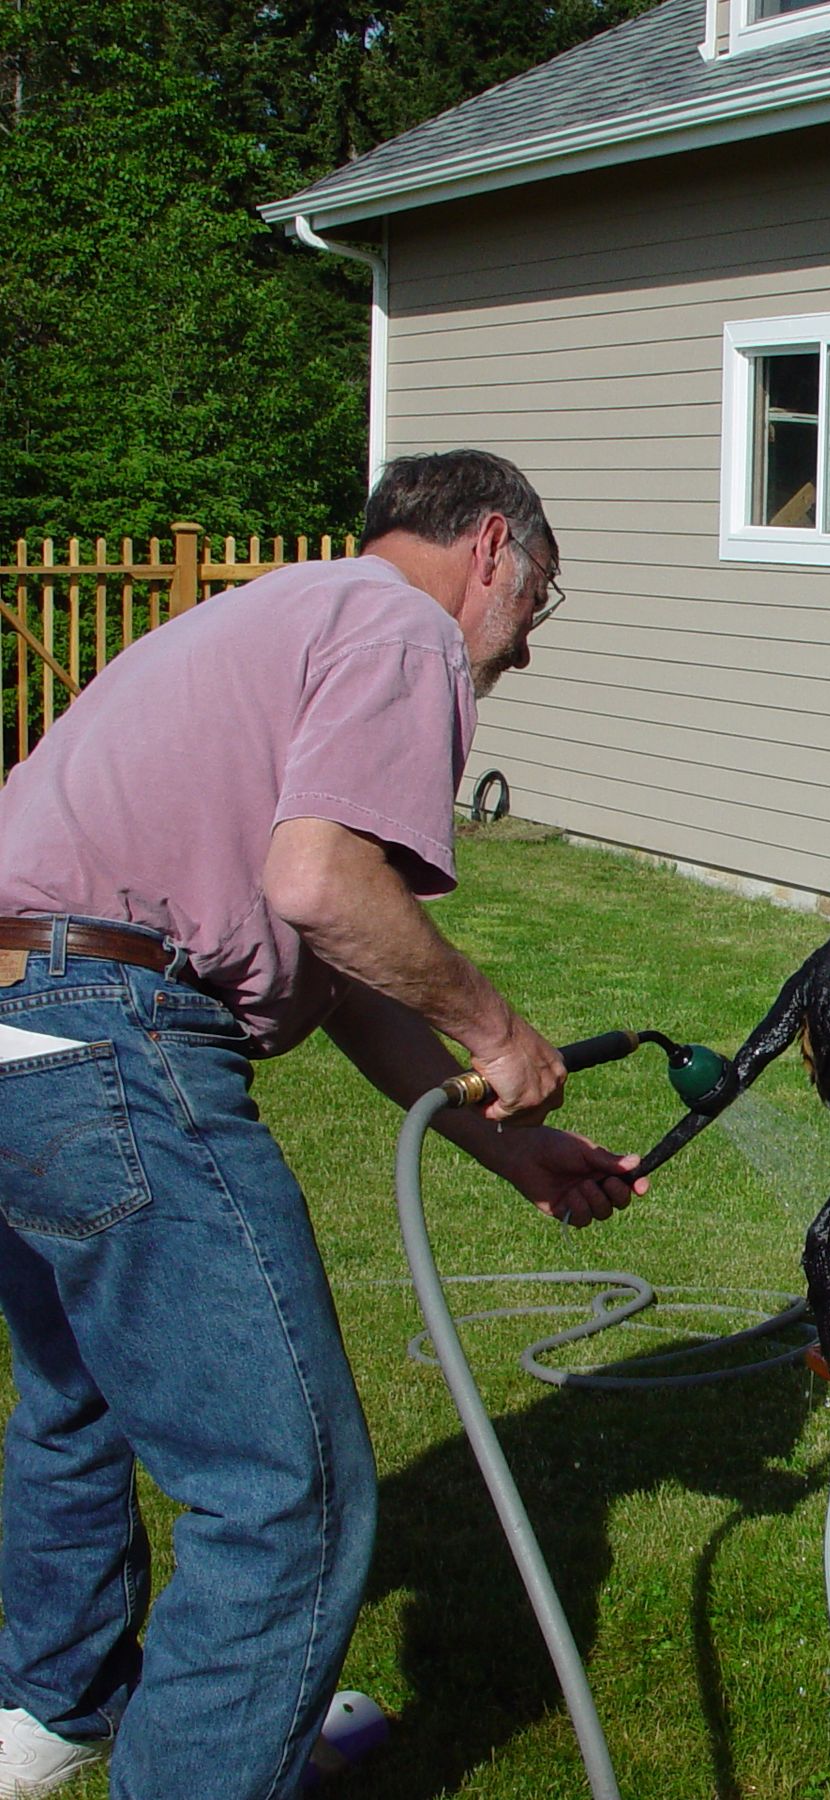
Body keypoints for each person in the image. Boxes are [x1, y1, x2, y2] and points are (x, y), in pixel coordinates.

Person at [0, 449, 647, 1799]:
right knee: (284, 1502)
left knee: (80, 1398)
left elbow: (341, 977)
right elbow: (323, 882)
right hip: (111, 1029)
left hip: (18, 1025)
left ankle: (59, 1708)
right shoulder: (396, 624)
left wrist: (505, 1146)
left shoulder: (276, 613)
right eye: (543, 605)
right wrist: (497, 1029)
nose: (523, 652)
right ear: (491, 551)